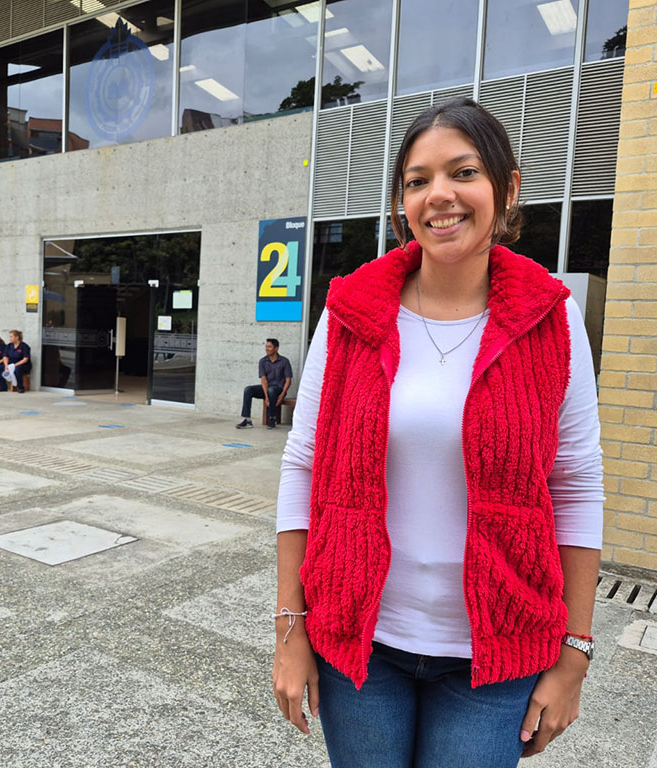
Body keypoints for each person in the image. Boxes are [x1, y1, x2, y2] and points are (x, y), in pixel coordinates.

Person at [272, 97, 604, 767]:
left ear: (507, 190)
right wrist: (290, 631)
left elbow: (577, 486)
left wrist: (575, 654)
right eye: (418, 181)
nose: (439, 196)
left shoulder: (552, 320)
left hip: (495, 655)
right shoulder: (349, 313)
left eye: (463, 172)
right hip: (362, 645)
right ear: (402, 202)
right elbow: (303, 466)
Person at [236, 339, 293, 429]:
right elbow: (264, 380)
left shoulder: (284, 361)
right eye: (266, 346)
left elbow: (288, 380)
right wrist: (266, 397)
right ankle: (247, 420)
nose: (267, 349)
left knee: (272, 390)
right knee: (248, 389)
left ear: (276, 348)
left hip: (278, 389)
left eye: (269, 347)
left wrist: (282, 395)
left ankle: (272, 418)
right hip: (267, 389)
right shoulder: (263, 361)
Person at [0, 329, 31, 393]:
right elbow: (5, 356)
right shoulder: (9, 346)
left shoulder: (24, 346)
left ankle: (21, 387)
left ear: (17, 337)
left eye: (11, 336)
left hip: (23, 364)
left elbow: (25, 359)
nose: (10, 338)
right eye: (9, 337)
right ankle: (2, 386)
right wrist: (6, 365)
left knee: (17, 369)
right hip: (11, 363)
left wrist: (14, 365)